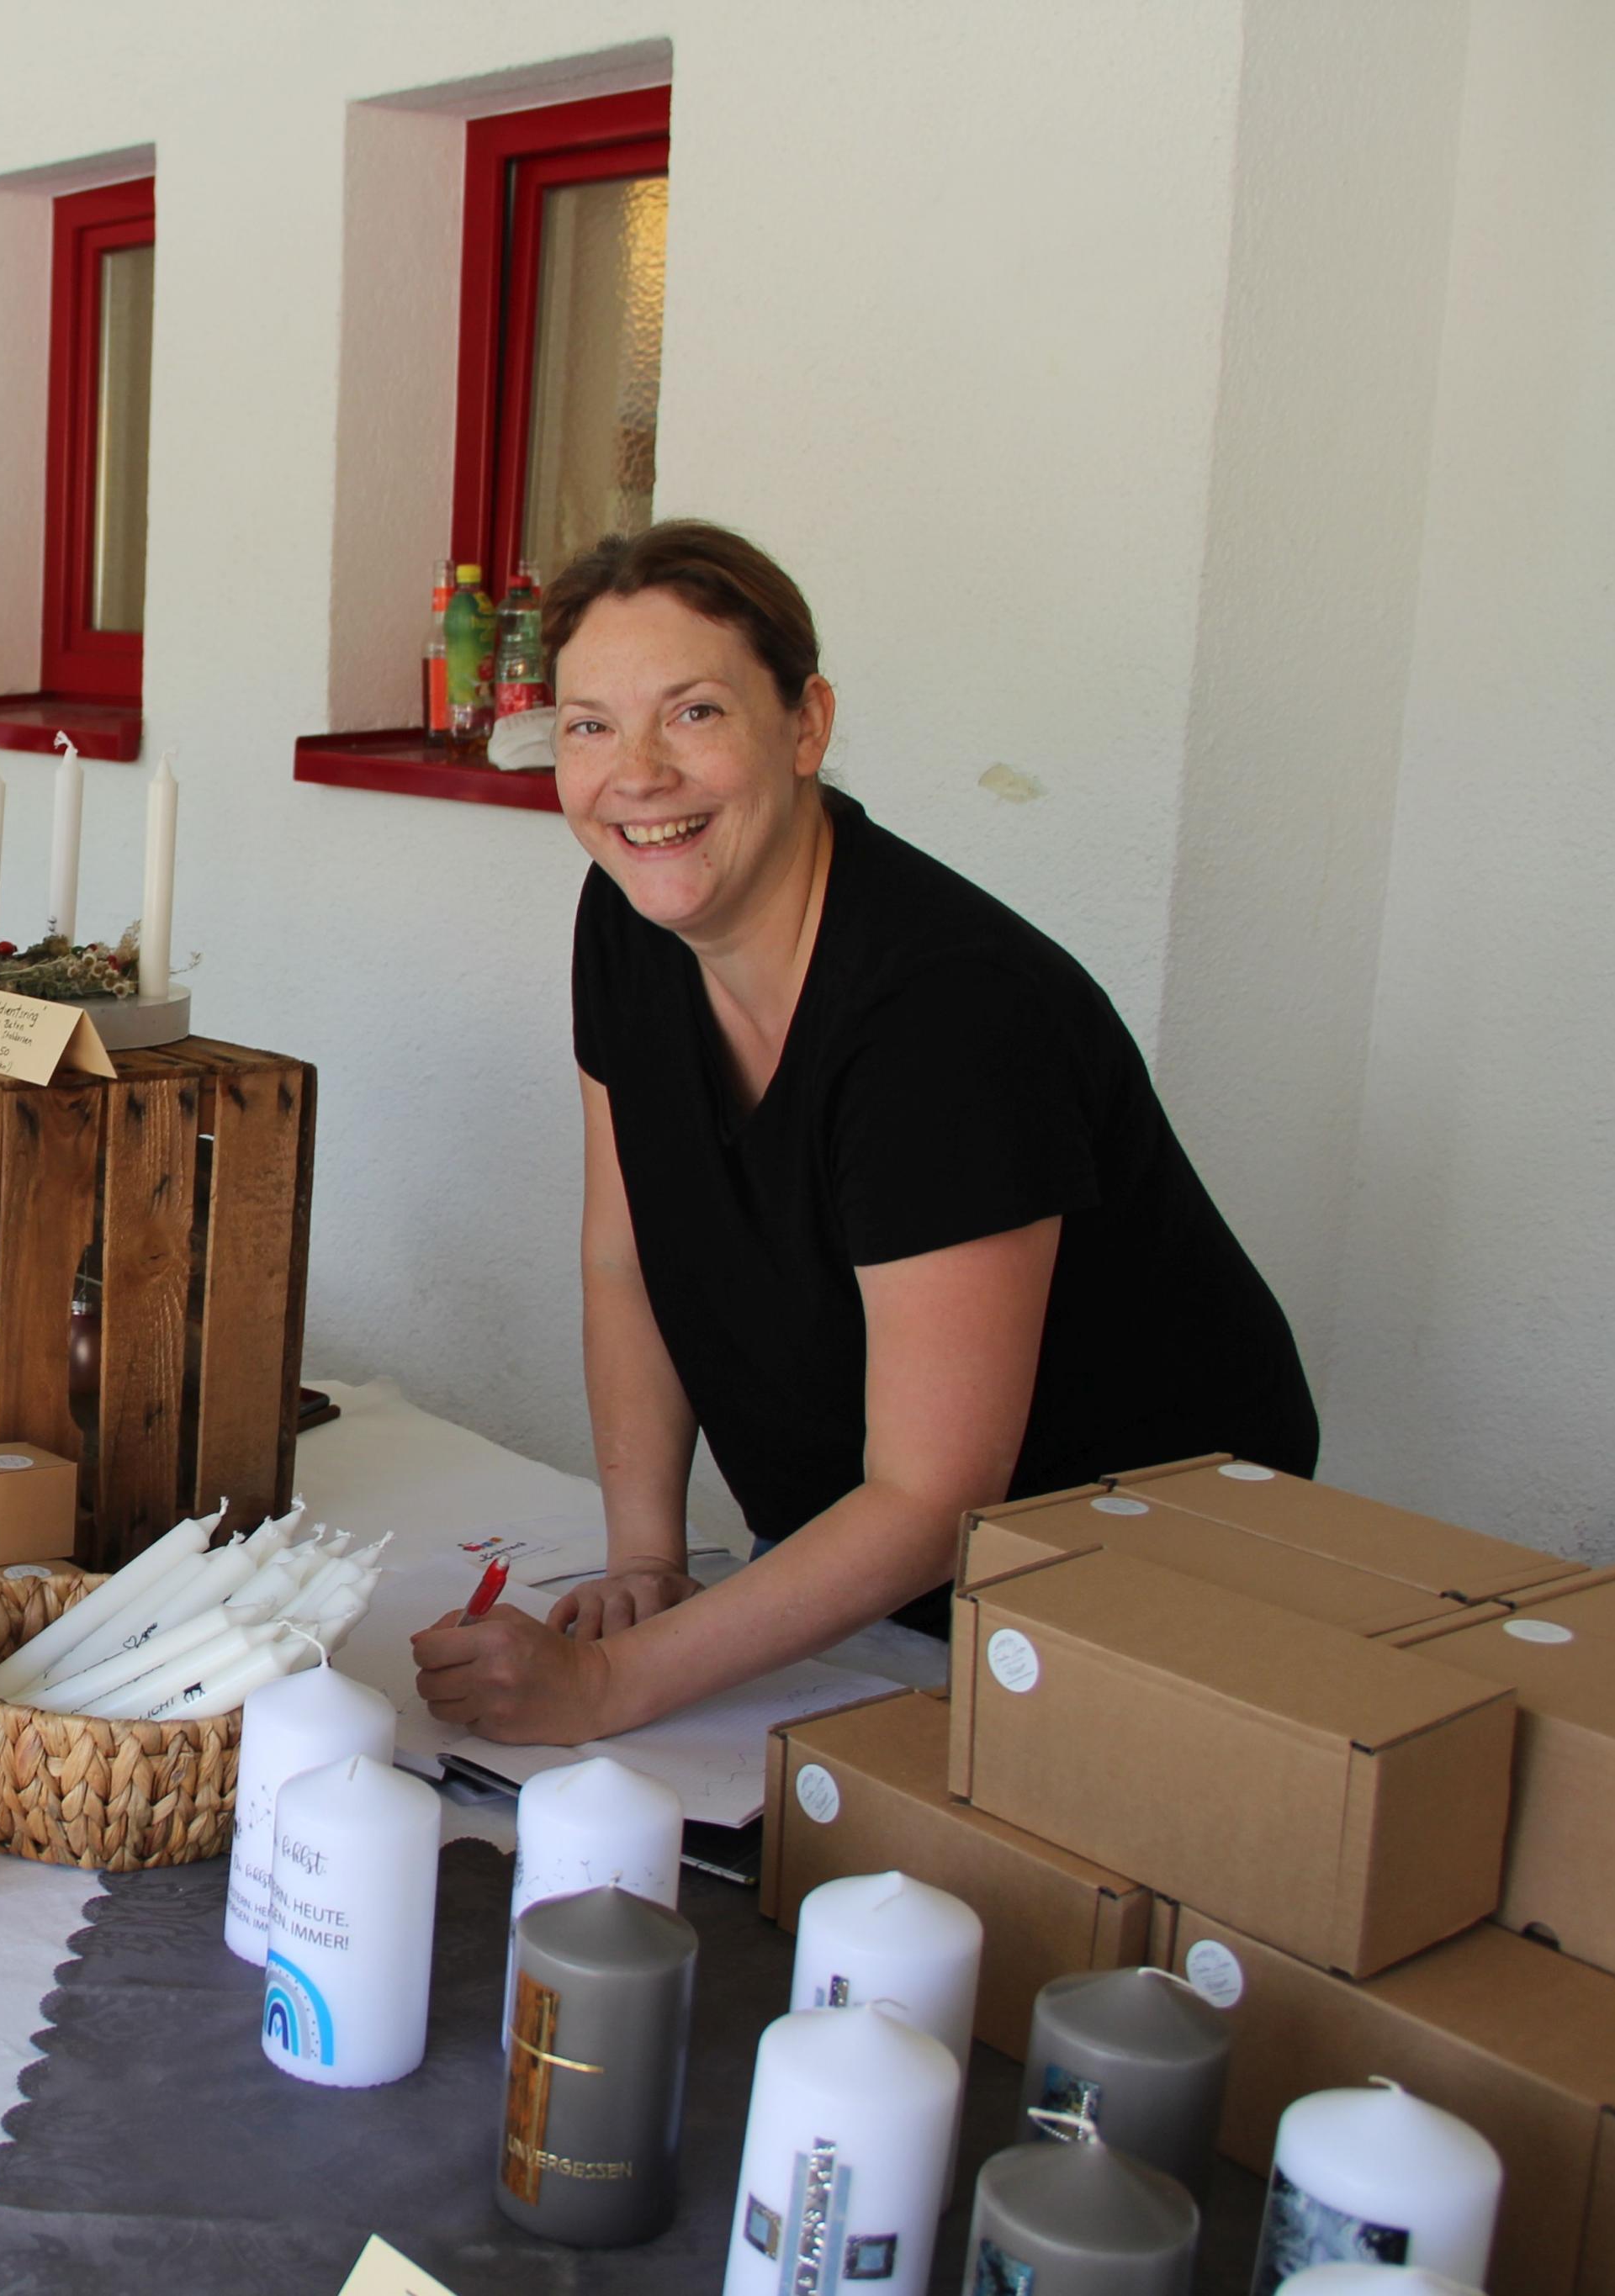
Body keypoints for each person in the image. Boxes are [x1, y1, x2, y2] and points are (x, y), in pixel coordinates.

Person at [413, 520, 1314, 1748]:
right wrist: (646, 1558)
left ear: (807, 726)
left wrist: (609, 1685)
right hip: (875, 1582)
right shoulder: (631, 920)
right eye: (590, 726)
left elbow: (937, 1496)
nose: (638, 775)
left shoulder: (948, 1015)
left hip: (1141, 1595)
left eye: (693, 713)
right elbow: (625, 1257)